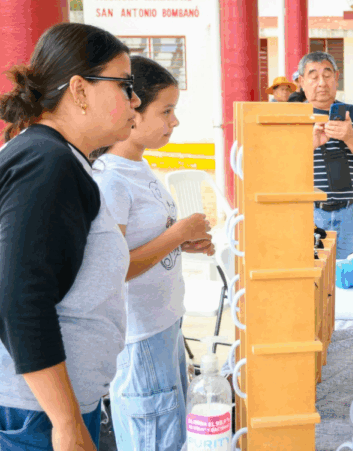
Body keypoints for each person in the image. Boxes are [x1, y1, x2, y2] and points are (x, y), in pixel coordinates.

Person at [0, 23, 139, 450]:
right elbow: (20, 297)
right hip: (38, 415)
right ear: (79, 90)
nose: (135, 100)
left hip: (45, 407)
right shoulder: (48, 162)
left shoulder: (52, 157)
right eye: (124, 85)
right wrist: (65, 423)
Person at [90, 56, 214, 451]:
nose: (174, 121)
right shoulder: (110, 179)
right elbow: (113, 269)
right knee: (154, 439)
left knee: (172, 434)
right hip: (138, 335)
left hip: (164, 324)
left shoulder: (139, 167)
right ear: (132, 111)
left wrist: (182, 243)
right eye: (166, 110)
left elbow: (146, 246)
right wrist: (178, 232)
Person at [298, 51, 353, 259]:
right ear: (302, 82)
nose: (321, 83)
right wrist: (309, 145)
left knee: (350, 279)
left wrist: (351, 137)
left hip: (350, 214)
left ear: (336, 78)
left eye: (327, 75)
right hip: (309, 214)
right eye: (314, 77)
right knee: (314, 281)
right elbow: (279, 168)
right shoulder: (293, 118)